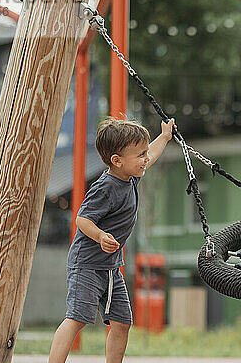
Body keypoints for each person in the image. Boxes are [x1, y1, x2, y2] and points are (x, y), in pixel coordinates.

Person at [49, 117, 175, 363]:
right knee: (77, 318)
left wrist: (165, 137)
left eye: (144, 153)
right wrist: (100, 235)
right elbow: (82, 219)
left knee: (122, 322)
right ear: (117, 161)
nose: (145, 159)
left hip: (110, 268)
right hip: (87, 265)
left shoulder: (131, 177)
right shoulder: (105, 187)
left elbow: (152, 155)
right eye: (139, 155)